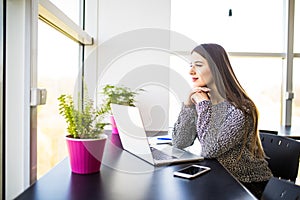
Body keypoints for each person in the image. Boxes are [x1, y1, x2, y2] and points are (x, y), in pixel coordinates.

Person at [172, 43, 273, 199]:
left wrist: (202, 105)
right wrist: (188, 106)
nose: (191, 71)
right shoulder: (204, 101)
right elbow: (180, 141)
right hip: (219, 178)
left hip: (247, 185)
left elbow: (210, 150)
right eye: (190, 65)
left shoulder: (240, 108)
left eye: (198, 65)